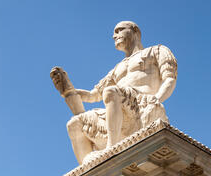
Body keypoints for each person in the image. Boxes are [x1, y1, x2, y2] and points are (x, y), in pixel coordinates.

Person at [51, 21, 177, 164]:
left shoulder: (156, 51)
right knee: (74, 123)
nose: (114, 36)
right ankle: (88, 168)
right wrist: (67, 90)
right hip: (116, 115)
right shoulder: (117, 69)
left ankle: (112, 149)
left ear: (135, 31)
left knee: (111, 91)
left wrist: (156, 98)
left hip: (140, 105)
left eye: (119, 30)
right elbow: (93, 95)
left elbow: (170, 78)